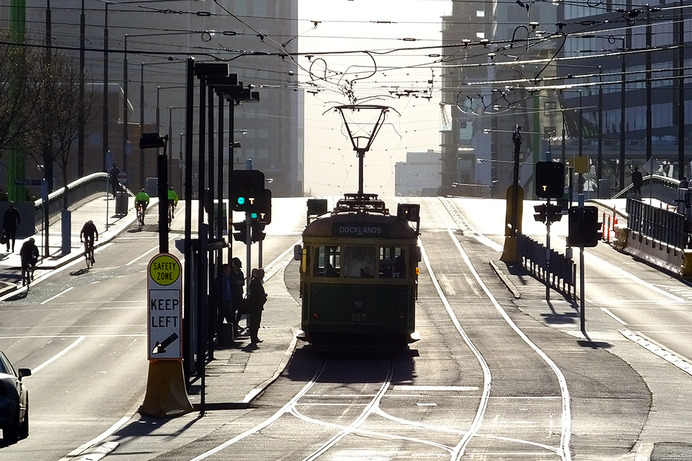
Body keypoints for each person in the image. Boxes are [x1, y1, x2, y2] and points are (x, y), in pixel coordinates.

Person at [246, 267, 267, 345]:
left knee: (257, 321)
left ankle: (255, 337)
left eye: (263, 274)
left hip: (258, 305)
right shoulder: (254, 282)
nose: (262, 276)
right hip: (255, 305)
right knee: (254, 322)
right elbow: (255, 294)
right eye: (261, 274)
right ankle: (253, 338)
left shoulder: (257, 282)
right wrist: (262, 297)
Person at [214, 264, 233, 344]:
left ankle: (229, 336)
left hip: (228, 300)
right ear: (224, 270)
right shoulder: (221, 279)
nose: (229, 271)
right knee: (221, 318)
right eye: (228, 269)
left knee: (229, 318)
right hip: (223, 301)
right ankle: (220, 337)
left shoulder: (228, 278)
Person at [230, 257, 245, 332]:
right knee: (232, 309)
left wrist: (238, 282)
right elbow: (233, 282)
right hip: (233, 294)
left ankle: (236, 323)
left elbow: (242, 282)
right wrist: (238, 282)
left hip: (239, 293)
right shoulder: (231, 273)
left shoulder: (240, 272)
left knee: (240, 309)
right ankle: (234, 324)